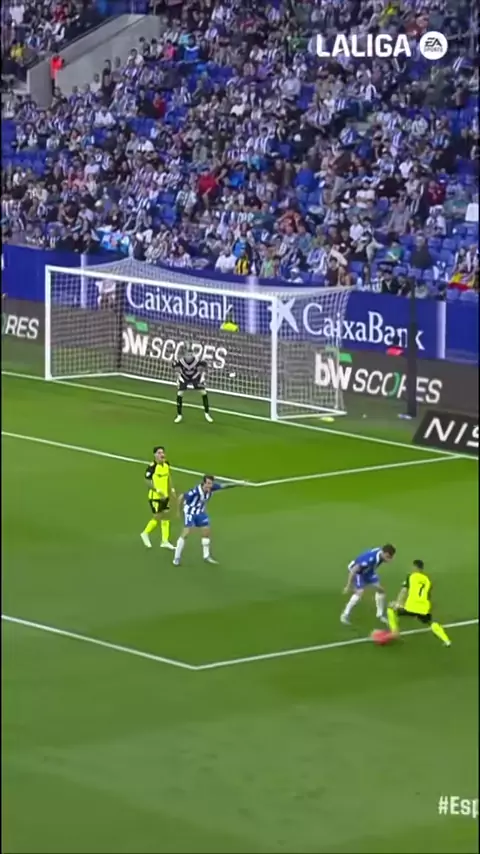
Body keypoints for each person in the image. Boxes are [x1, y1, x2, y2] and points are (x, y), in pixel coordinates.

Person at [173, 475, 239, 566]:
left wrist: (238, 483)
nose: (209, 485)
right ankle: (176, 558)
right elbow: (181, 497)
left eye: (211, 483)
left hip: (200, 512)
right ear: (203, 483)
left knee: (206, 531)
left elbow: (224, 486)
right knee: (186, 532)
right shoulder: (195, 491)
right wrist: (178, 511)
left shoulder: (211, 488)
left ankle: (206, 556)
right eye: (208, 483)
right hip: (190, 512)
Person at [386, 559, 451, 646]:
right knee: (430, 622)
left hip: (411, 606)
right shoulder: (427, 580)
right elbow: (428, 595)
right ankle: (446, 640)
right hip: (424, 607)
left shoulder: (411, 576)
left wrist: (398, 603)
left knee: (390, 609)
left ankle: (394, 632)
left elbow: (404, 591)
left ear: (415, 567)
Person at [341, 544, 397, 625]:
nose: (389, 559)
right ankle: (345, 614)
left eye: (390, 557)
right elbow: (353, 570)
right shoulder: (369, 559)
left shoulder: (381, 553)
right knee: (359, 592)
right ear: (383, 553)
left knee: (381, 590)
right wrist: (348, 586)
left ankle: (380, 615)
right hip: (359, 573)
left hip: (369, 571)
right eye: (387, 557)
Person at [140, 446, 175, 550]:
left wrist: (172, 489)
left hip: (165, 496)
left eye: (162, 452)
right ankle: (145, 533)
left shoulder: (166, 464)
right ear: (155, 455)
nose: (161, 455)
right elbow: (147, 481)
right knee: (158, 517)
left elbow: (168, 477)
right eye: (159, 453)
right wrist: (157, 490)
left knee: (166, 517)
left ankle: (165, 541)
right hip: (155, 497)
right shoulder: (152, 467)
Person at [174, 348, 213, 424]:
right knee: (180, 393)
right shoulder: (181, 361)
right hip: (185, 377)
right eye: (188, 354)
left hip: (195, 377)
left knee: (203, 392)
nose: (189, 356)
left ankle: (207, 413)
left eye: (191, 354)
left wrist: (203, 376)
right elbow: (175, 368)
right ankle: (179, 415)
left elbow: (205, 366)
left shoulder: (197, 361)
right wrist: (178, 378)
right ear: (185, 355)